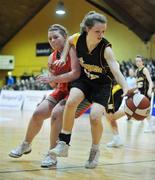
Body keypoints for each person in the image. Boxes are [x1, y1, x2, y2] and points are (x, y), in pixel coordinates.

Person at [49, 11, 129, 169]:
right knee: (71, 101)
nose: (101, 35)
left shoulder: (106, 49)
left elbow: (116, 70)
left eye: (103, 31)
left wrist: (126, 88)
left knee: (94, 117)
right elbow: (68, 43)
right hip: (85, 80)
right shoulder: (77, 38)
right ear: (87, 30)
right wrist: (63, 58)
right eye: (97, 31)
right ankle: (64, 142)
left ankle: (94, 150)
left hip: (103, 85)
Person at [9, 24, 82, 167]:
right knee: (37, 113)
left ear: (65, 37)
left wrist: (53, 78)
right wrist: (49, 76)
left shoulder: (72, 50)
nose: (52, 41)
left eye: (56, 37)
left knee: (56, 114)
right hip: (61, 90)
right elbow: (53, 85)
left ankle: (52, 154)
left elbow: (75, 74)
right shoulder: (51, 57)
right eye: (50, 39)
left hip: (76, 90)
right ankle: (26, 144)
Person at [135, 55, 153, 133]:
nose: (137, 62)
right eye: (136, 61)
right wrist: (135, 90)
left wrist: (149, 90)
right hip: (141, 93)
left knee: (146, 110)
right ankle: (148, 123)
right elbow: (137, 83)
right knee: (141, 109)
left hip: (146, 93)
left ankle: (151, 126)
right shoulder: (136, 71)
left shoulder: (145, 70)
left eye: (139, 61)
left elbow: (150, 82)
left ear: (142, 62)